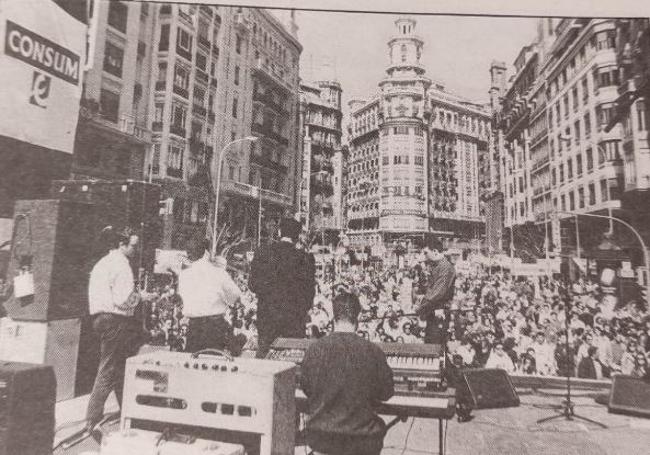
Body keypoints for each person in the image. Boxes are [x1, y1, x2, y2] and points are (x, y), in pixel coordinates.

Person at [300, 291, 394, 455]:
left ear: (333, 317)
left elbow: (306, 388)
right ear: (357, 317)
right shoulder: (373, 351)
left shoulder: (314, 349)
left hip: (322, 437)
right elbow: (386, 392)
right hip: (361, 440)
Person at [85, 227, 148, 432]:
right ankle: (92, 416)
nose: (135, 250)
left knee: (120, 367)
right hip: (115, 320)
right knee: (109, 368)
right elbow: (124, 300)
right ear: (121, 244)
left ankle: (127, 408)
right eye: (133, 245)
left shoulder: (102, 263)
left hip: (98, 318)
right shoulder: (122, 265)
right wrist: (143, 297)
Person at [249, 217, 316, 358]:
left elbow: (253, 285)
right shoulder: (305, 259)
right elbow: (309, 295)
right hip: (294, 323)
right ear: (297, 236)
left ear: (279, 232)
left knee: (264, 363)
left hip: (267, 320)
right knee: (292, 363)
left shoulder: (262, 253)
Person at [177, 235, 241, 353]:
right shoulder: (218, 273)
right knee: (212, 362)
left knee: (192, 364)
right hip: (215, 327)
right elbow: (235, 295)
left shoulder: (184, 275)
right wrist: (225, 301)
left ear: (188, 254)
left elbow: (182, 296)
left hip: (194, 327)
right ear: (205, 252)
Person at [413, 235, 456, 345]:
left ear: (435, 251)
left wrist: (420, 308)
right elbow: (430, 289)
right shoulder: (435, 266)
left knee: (435, 346)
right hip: (432, 313)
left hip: (439, 314)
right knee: (430, 342)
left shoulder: (446, 268)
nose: (425, 256)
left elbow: (437, 293)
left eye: (426, 253)